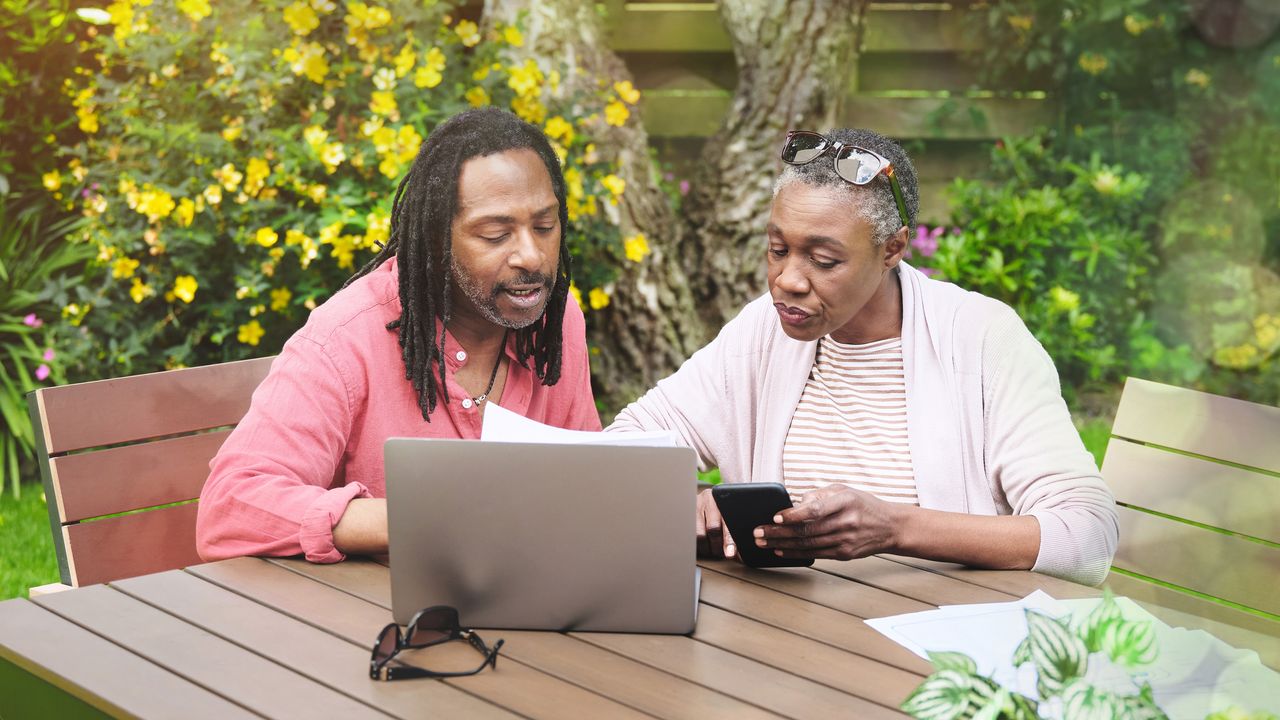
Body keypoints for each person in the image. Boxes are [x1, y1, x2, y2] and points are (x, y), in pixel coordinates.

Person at [609, 128, 1118, 586]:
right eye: (777, 248)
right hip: (773, 640)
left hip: (937, 642)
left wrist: (893, 528)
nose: (788, 280)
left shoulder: (982, 340)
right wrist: (696, 499)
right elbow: (623, 448)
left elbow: (1086, 534)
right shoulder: (763, 330)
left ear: (893, 249)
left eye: (824, 260)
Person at [197, 107, 601, 563]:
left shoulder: (556, 320)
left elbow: (586, 485)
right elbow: (230, 507)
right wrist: (424, 518)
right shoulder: (343, 341)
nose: (532, 255)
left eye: (545, 226)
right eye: (495, 235)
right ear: (434, 239)